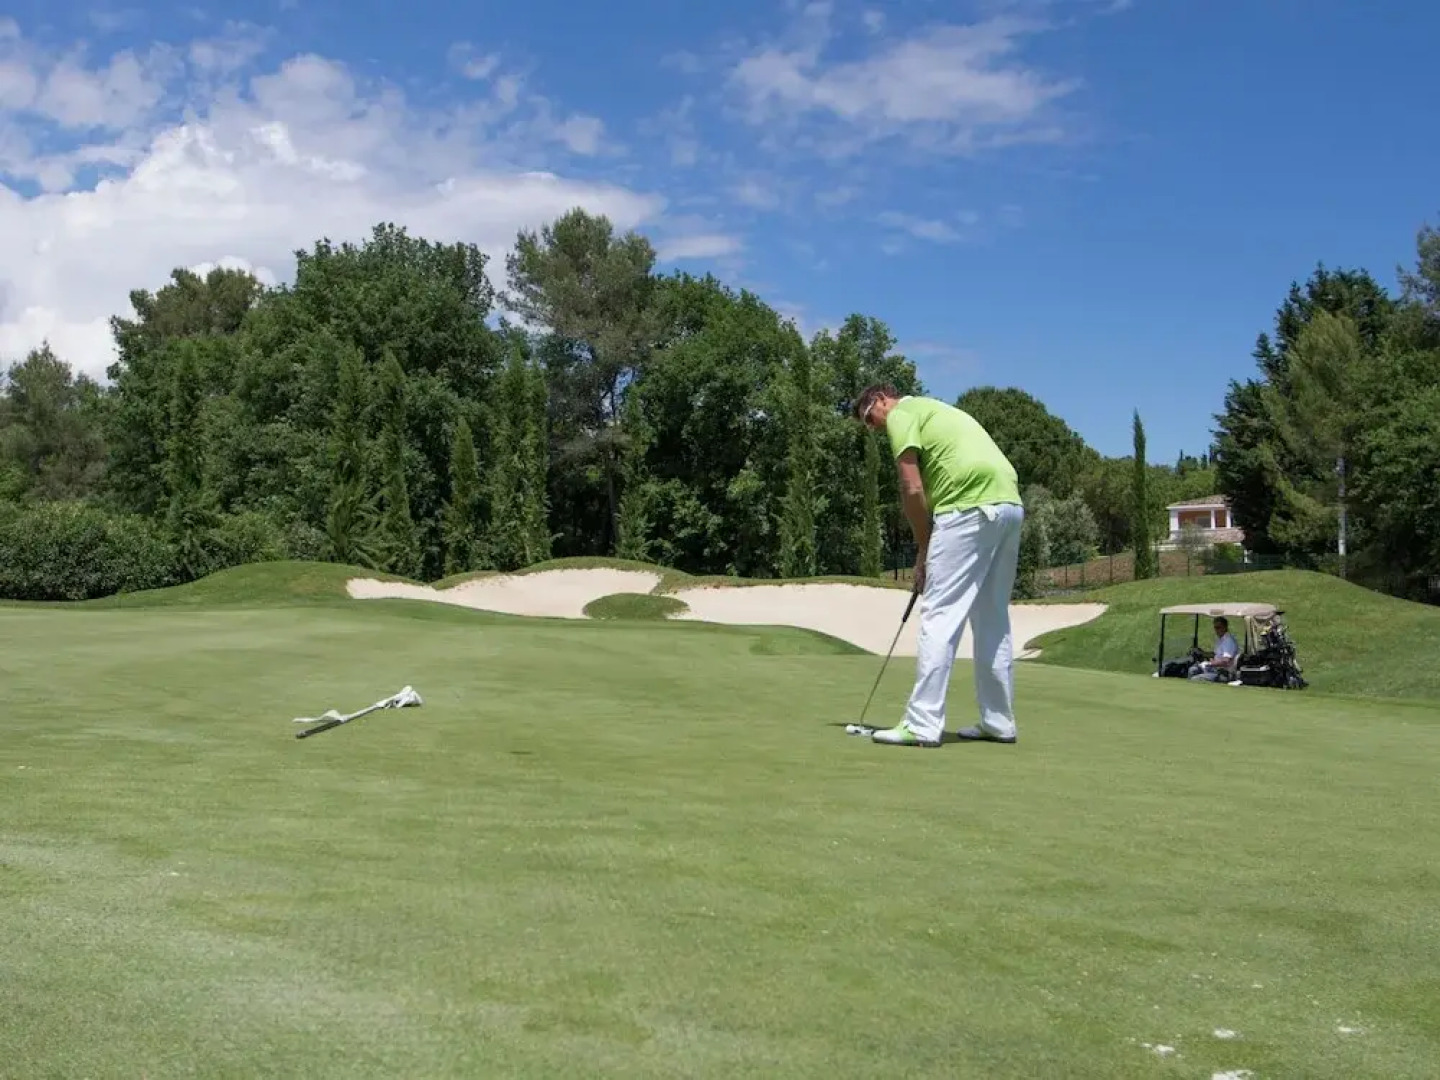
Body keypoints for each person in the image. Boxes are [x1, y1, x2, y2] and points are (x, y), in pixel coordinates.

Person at [854, 385, 1025, 748]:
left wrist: (923, 546)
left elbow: (912, 488)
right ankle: (999, 722)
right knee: (991, 617)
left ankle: (922, 724)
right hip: (1009, 505)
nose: (874, 428)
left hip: (967, 508)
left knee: (939, 614)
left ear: (882, 399)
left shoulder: (901, 414)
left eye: (870, 418)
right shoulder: (936, 409)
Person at [1188, 616, 1239, 683]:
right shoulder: (1221, 639)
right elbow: (1215, 654)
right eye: (1215, 628)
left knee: (1195, 679)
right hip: (1215, 669)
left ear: (1225, 627)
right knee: (1192, 670)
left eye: (1218, 627)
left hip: (1223, 673)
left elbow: (1225, 661)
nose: (1216, 630)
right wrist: (1202, 652)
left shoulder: (1228, 641)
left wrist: (1210, 664)